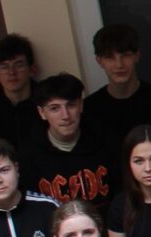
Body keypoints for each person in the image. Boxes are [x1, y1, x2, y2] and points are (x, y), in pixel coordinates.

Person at [20, 74, 112, 207]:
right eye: (54, 108)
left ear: (81, 105)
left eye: (71, 105)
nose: (65, 115)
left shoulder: (105, 141)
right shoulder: (28, 154)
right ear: (42, 112)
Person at [82, 25, 151, 150]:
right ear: (99, 61)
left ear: (137, 56)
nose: (119, 65)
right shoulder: (89, 109)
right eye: (110, 57)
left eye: (125, 55)